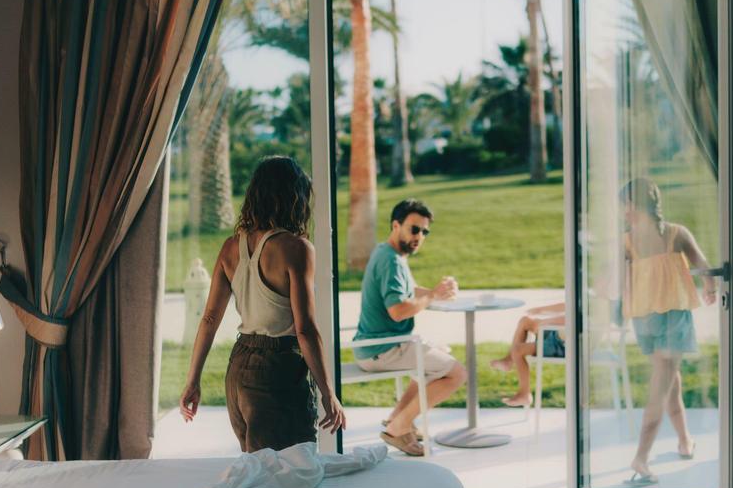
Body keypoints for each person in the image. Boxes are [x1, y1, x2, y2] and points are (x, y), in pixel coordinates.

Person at [179, 156, 346, 452]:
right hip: (276, 369)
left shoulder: (230, 247)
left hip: (239, 365)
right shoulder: (296, 248)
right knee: (290, 469)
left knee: (259, 469)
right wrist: (328, 393)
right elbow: (305, 329)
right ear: (295, 197)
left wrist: (192, 382)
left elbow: (208, 320)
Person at [620, 178, 716, 485]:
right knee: (664, 384)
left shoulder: (666, 236)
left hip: (656, 319)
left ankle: (684, 440)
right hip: (657, 319)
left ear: (635, 207)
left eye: (625, 206)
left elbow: (702, 265)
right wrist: (709, 287)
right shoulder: (650, 238)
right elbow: (704, 266)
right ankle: (642, 457)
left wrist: (709, 287)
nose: (622, 213)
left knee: (666, 380)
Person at [353, 199, 466, 456]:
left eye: (424, 232)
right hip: (381, 349)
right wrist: (434, 296)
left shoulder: (389, 253)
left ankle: (397, 417)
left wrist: (438, 292)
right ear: (396, 225)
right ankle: (397, 428)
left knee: (438, 351)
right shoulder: (391, 261)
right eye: (414, 229)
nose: (419, 236)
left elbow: (408, 291)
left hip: (379, 345)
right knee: (457, 373)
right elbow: (398, 311)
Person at [490, 303, 566, 406]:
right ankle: (508, 360)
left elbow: (572, 318)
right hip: (555, 333)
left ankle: (524, 394)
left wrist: (546, 322)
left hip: (559, 345)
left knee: (518, 350)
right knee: (525, 321)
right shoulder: (587, 297)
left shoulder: (590, 302)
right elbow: (567, 306)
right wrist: (539, 309)